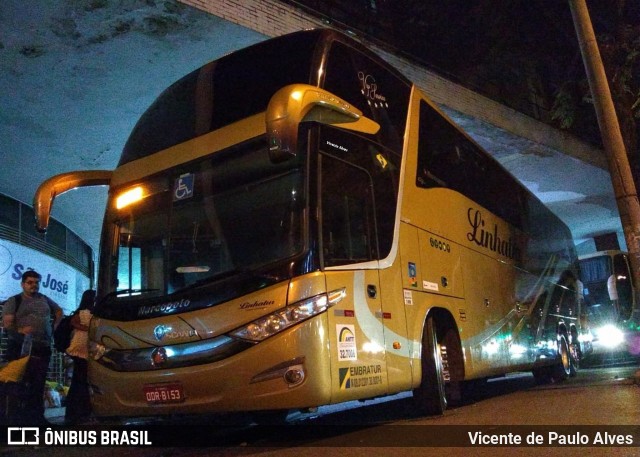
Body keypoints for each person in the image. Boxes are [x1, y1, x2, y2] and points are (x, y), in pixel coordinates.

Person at [1, 270, 63, 425]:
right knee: (21, 384)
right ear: (23, 284)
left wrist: (54, 326)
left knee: (39, 384)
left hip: (43, 347)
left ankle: (37, 419)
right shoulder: (14, 300)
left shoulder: (44, 298)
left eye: (36, 282)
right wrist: (20, 331)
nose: (34, 285)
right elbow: (7, 325)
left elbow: (59, 311)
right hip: (23, 349)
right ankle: (18, 421)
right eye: (30, 282)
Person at [64, 289, 95, 424]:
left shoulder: (80, 312)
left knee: (79, 381)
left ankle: (74, 412)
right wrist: (88, 329)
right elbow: (74, 323)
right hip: (83, 351)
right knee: (81, 381)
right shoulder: (87, 313)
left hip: (79, 350)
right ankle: (79, 412)